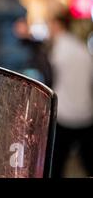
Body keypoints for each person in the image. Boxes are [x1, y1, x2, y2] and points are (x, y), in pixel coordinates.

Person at [48, 12, 93, 177]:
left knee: (56, 166)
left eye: (50, 25)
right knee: (89, 163)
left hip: (64, 114)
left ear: (58, 25)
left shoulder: (58, 49)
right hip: (86, 113)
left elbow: (50, 79)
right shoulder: (81, 48)